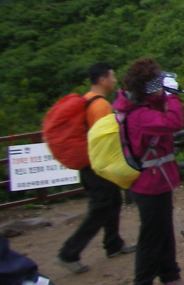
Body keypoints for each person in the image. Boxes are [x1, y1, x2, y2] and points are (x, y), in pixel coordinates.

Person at [53, 63, 135, 275]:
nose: (114, 80)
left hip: (89, 164)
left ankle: (113, 244)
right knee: (100, 209)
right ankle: (68, 253)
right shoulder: (100, 106)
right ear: (102, 80)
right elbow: (106, 139)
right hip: (97, 165)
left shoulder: (87, 99)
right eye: (112, 76)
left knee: (112, 201)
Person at [114, 58, 184, 285]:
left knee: (164, 230)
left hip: (157, 181)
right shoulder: (139, 116)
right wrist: (173, 96)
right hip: (149, 185)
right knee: (151, 237)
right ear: (146, 88)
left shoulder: (143, 105)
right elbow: (173, 122)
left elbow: (158, 102)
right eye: (156, 82)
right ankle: (143, 280)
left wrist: (166, 90)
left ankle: (169, 275)